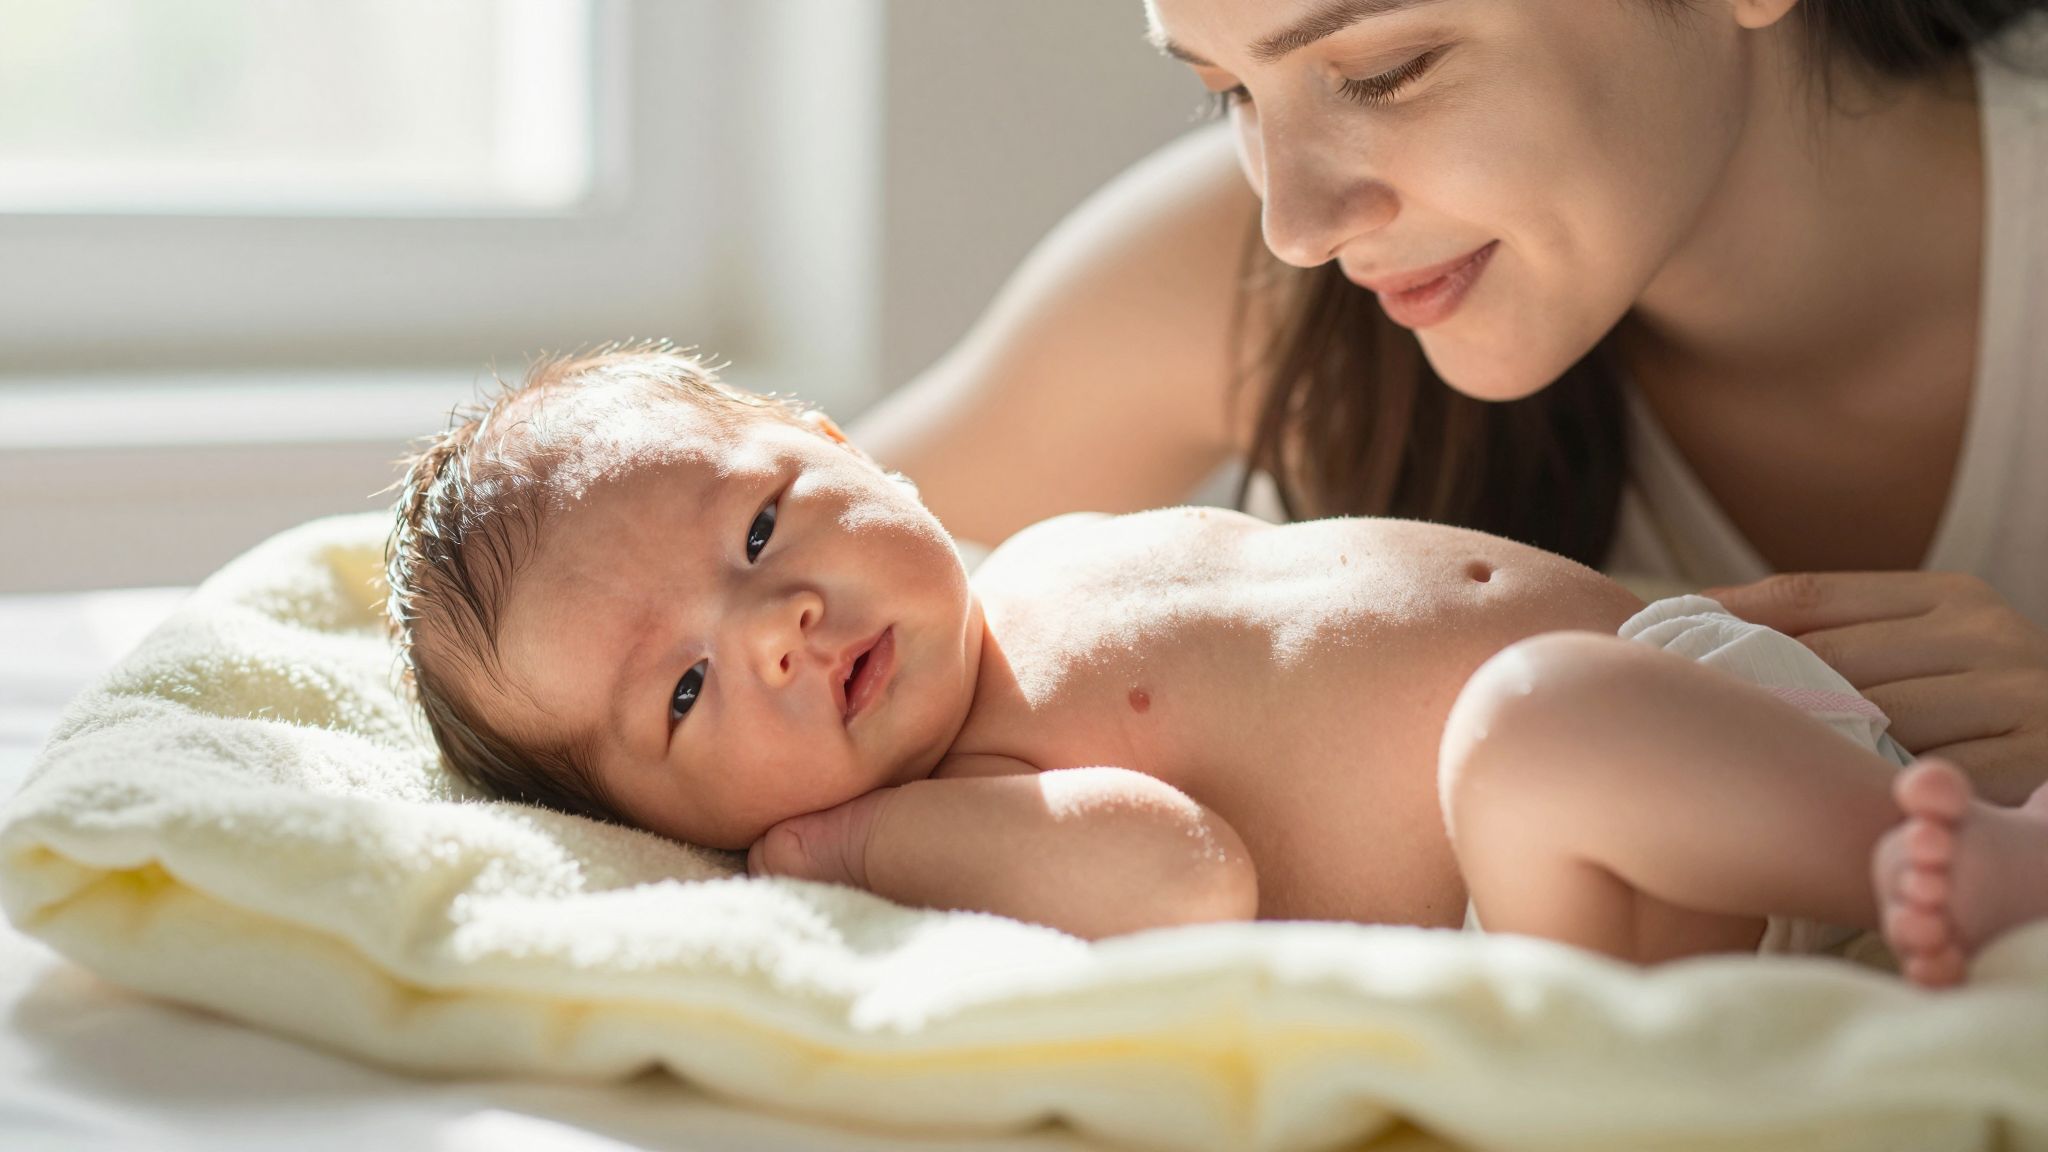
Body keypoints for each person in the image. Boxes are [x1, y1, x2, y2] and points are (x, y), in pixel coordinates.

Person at [384, 348, 2048, 988]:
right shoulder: (956, 802)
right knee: (1532, 720)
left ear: (840, 444)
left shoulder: (1034, 554)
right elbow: (1184, 878)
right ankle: (1948, 867)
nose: (773, 629)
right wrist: (858, 845)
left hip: (1697, 697)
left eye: (758, 529)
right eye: (682, 696)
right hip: (1578, 898)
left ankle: (1939, 841)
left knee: (1561, 707)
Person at [849, 0, 2048, 809]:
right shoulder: (1254, 290)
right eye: (1230, 94)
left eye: (1386, 72)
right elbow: (755, 594)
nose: (1295, 225)